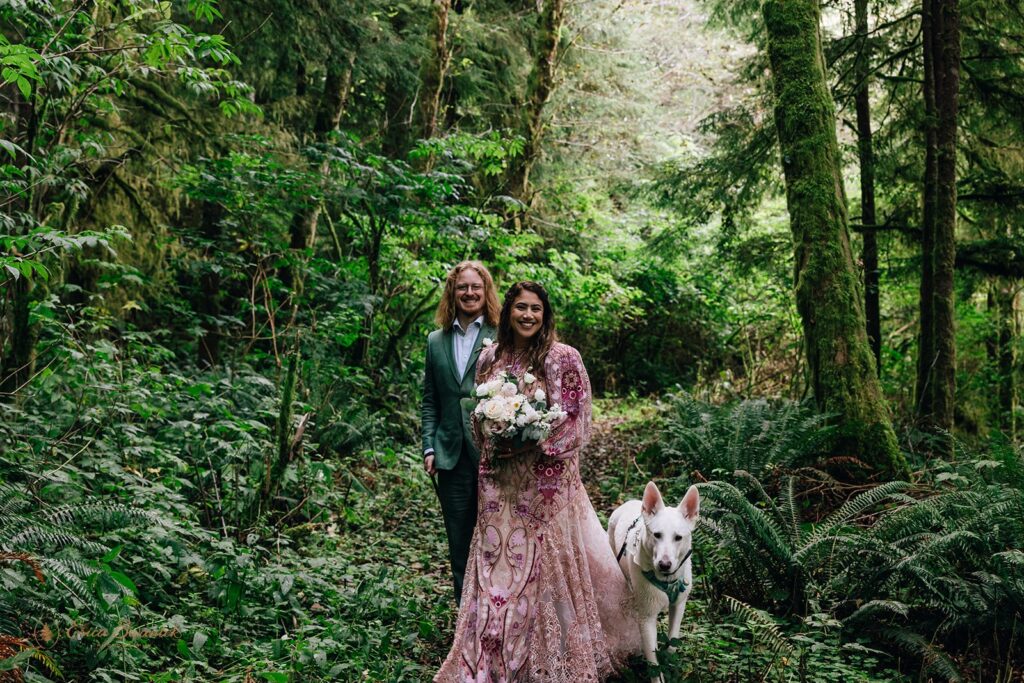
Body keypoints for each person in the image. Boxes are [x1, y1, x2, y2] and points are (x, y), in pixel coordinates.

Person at [436, 281, 640, 682]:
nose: (528, 315)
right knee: (495, 566)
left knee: (540, 569)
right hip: (498, 481)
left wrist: (534, 443)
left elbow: (576, 420)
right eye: (521, 308)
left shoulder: (563, 357)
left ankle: (543, 659)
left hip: (545, 485)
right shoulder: (490, 357)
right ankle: (490, 656)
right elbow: (477, 416)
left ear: (545, 315)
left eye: (536, 309)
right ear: (508, 311)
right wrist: (495, 433)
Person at [422, 261, 500, 604]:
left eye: (475, 287)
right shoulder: (435, 341)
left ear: (486, 292)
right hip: (449, 454)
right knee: (459, 542)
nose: (469, 293)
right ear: (452, 293)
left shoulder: (502, 336)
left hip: (494, 454)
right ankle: (464, 618)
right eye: (462, 287)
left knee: (496, 538)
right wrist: (429, 447)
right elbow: (430, 401)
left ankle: (497, 614)